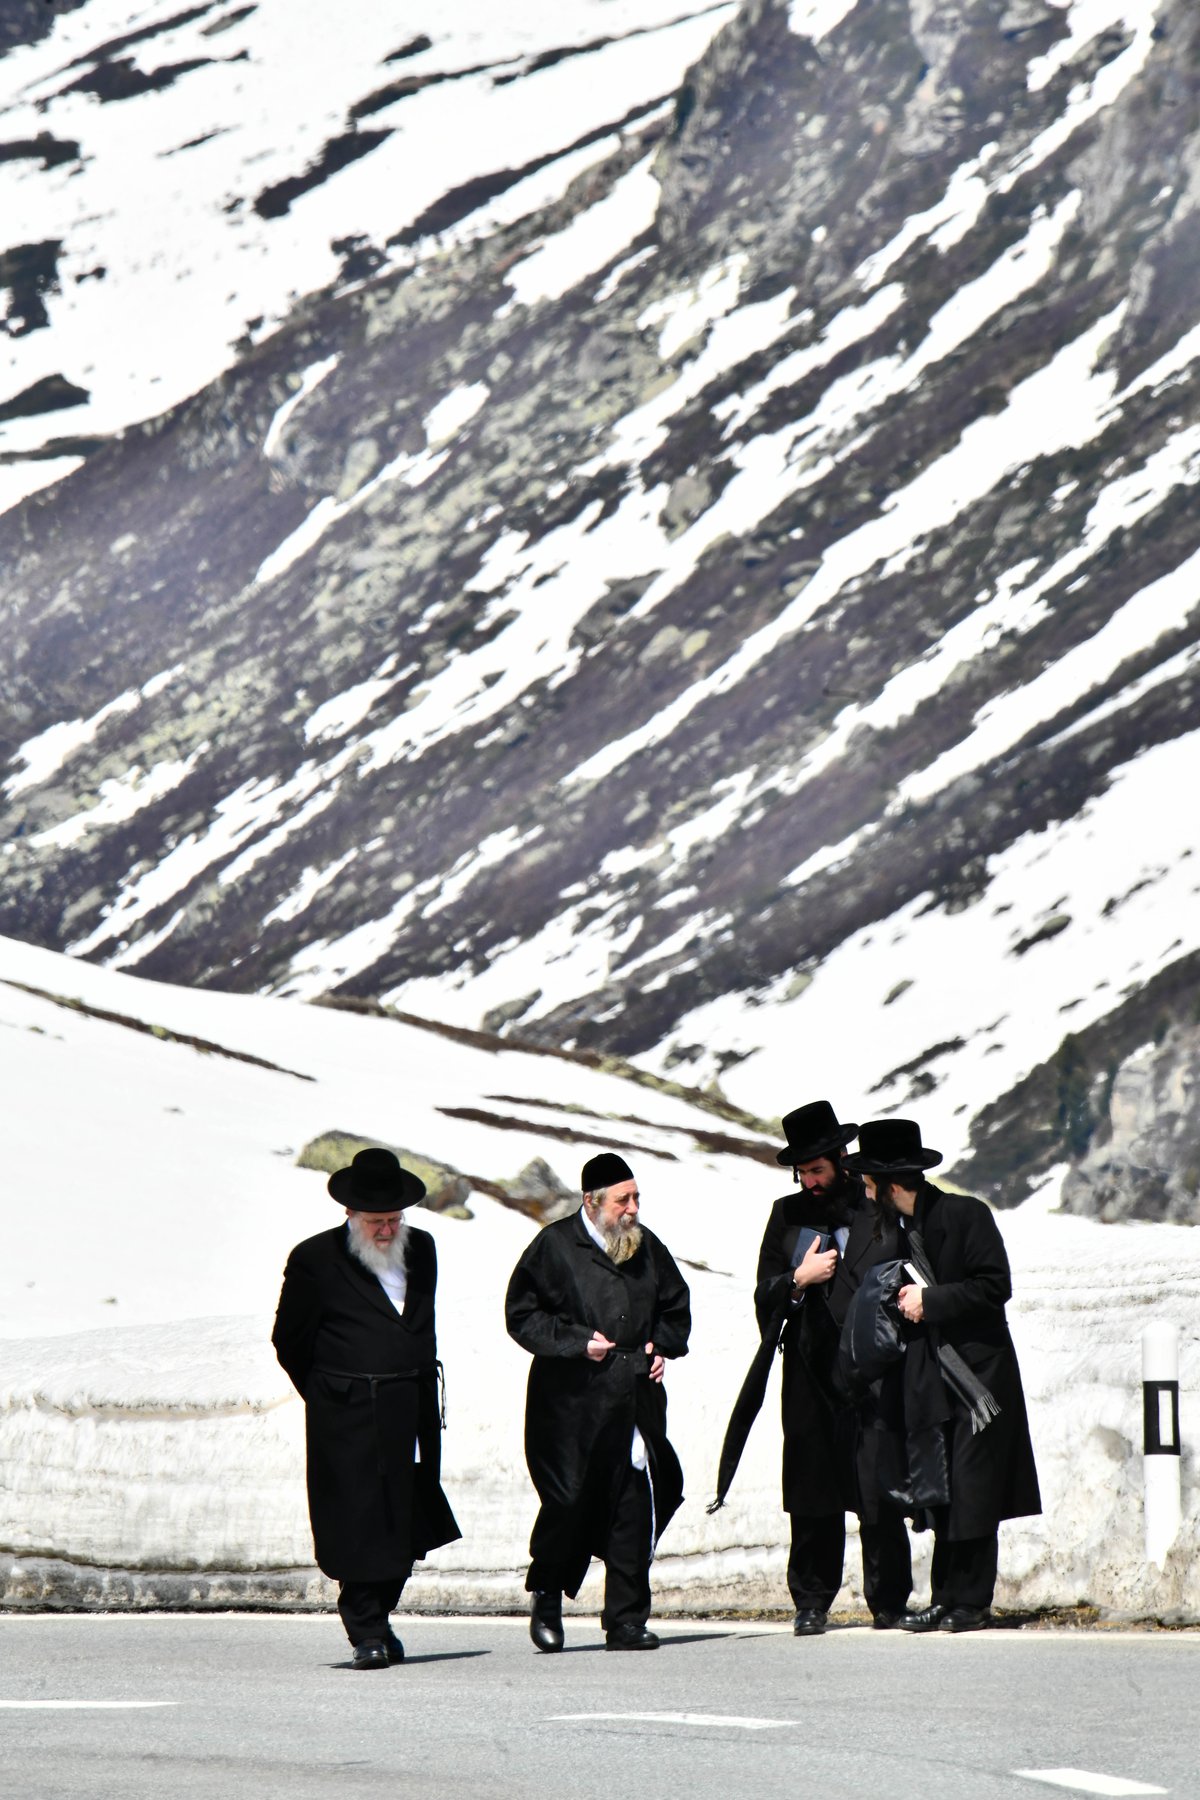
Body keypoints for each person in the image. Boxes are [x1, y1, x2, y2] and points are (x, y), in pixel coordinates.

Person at [841, 1118, 1041, 1632]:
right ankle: (947, 1598)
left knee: (976, 1489)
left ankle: (971, 1602)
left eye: (869, 1182)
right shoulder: (900, 1231)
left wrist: (930, 1300)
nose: (864, 1192)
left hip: (978, 1376)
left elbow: (994, 1286)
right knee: (947, 1487)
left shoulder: (965, 1214)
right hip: (932, 1376)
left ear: (889, 1185)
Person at [272, 1147, 461, 1669]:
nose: (386, 1230)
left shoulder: (422, 1248)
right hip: (347, 1413)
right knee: (357, 1521)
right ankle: (367, 1630)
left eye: (394, 1219)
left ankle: (378, 1611)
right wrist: (332, 1395)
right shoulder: (315, 1259)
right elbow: (290, 1340)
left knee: (406, 1519)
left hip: (412, 1406)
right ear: (351, 1215)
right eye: (376, 1221)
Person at [504, 1151, 691, 1652]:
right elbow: (522, 1316)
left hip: (633, 1398)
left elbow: (675, 1305)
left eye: (636, 1197)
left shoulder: (646, 1246)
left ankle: (626, 1619)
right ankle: (546, 1597)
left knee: (634, 1504)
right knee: (567, 1503)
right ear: (591, 1201)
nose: (631, 1208)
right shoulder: (554, 1246)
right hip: (570, 1406)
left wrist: (660, 1347)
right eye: (621, 1200)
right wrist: (574, 1340)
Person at [754, 1100, 914, 1635]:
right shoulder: (786, 1214)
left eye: (817, 1170)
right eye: (801, 1173)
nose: (809, 1182)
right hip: (807, 1372)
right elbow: (763, 1292)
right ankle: (812, 1600)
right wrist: (798, 1278)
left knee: (877, 1488)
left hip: (870, 1372)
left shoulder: (873, 1208)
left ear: (841, 1159)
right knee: (812, 1489)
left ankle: (888, 1601)